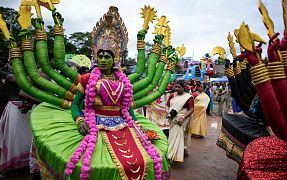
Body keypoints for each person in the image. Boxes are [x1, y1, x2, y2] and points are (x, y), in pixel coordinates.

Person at [28, 7, 169, 179]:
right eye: (100, 56)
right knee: (91, 167)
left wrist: (136, 125)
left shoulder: (124, 81)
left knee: (142, 161)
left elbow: (127, 109)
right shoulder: (86, 79)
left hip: (123, 125)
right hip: (93, 125)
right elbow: (75, 105)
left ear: (115, 59)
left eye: (106, 57)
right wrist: (79, 120)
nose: (102, 60)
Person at [166, 80, 194, 162]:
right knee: (172, 135)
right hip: (172, 117)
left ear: (183, 87)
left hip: (182, 118)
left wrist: (183, 118)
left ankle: (172, 154)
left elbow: (191, 109)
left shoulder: (188, 97)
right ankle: (180, 151)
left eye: (179, 87)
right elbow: (167, 105)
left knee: (178, 136)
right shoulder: (172, 95)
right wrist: (168, 112)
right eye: (176, 87)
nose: (177, 88)